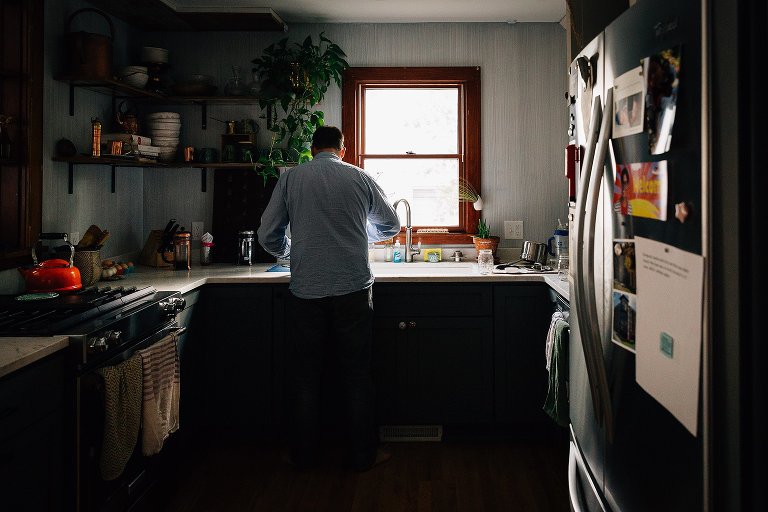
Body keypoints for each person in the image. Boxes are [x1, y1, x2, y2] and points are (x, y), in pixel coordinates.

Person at [257, 126, 401, 471]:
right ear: (343, 149)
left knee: (306, 378)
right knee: (356, 376)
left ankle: (303, 456)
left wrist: (289, 250)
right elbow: (391, 225)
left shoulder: (292, 179)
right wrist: (362, 232)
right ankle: (363, 455)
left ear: (312, 147)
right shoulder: (360, 177)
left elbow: (267, 233)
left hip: (306, 291)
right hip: (353, 289)